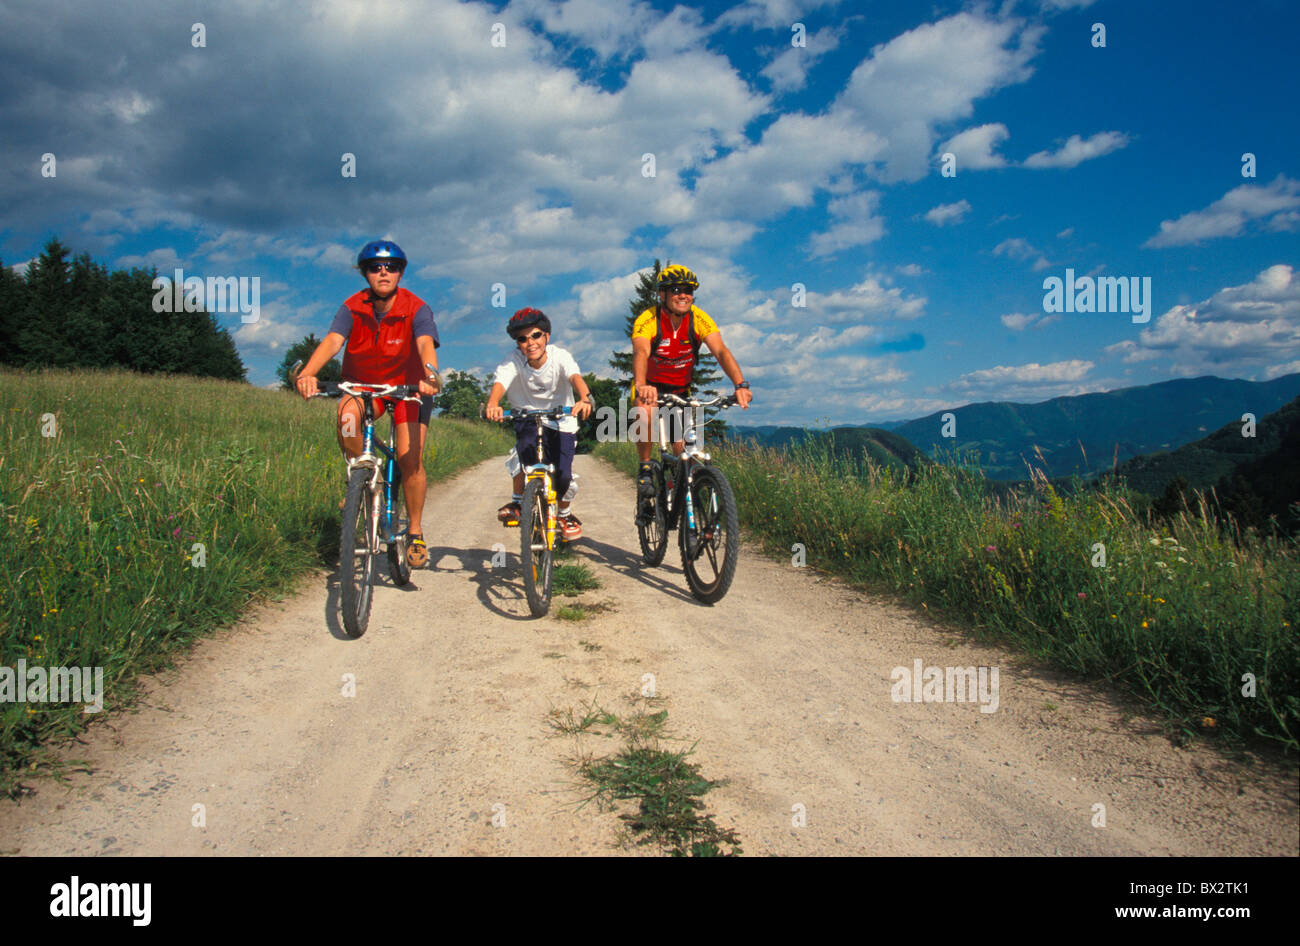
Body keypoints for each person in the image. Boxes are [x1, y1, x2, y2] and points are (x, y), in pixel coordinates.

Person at [295, 240, 440, 567]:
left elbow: (424, 342)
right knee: (347, 416)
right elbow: (334, 340)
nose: (383, 272)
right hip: (363, 386)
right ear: (365, 274)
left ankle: (414, 532)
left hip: (409, 389)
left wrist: (431, 375)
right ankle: (358, 477)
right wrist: (308, 373)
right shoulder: (352, 306)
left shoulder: (416, 307)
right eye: (375, 267)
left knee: (409, 459)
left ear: (401, 272)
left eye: (391, 267)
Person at [630, 264, 752, 510]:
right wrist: (642, 385)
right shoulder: (649, 319)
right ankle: (644, 467)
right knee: (644, 411)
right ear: (662, 294)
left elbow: (720, 350)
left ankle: (679, 499)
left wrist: (740, 384)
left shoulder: (699, 318)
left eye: (688, 290)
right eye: (676, 290)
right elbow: (641, 351)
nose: (683, 295)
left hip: (680, 390)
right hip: (651, 387)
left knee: (683, 453)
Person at [485, 307, 593, 541]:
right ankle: (519, 503)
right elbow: (501, 381)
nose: (530, 343)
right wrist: (493, 403)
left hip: (561, 420)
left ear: (546, 336)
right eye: (522, 339)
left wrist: (585, 398)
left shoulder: (560, 356)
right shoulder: (513, 360)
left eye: (535, 335)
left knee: (563, 476)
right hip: (527, 418)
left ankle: (563, 514)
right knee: (524, 461)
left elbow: (575, 377)